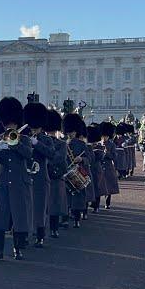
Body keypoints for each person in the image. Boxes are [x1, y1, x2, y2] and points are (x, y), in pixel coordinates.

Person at [0, 97, 33, 260]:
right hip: (2, 182)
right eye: (7, 124)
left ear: (17, 123)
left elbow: (29, 154)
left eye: (12, 124)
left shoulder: (24, 138)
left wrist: (16, 145)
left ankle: (17, 249)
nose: (9, 127)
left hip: (19, 182)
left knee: (18, 218)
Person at [24, 101, 54, 247]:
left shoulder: (46, 139)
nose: (33, 129)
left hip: (41, 177)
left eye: (36, 127)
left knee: (40, 208)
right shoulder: (23, 137)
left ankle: (40, 235)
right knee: (25, 207)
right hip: (25, 177)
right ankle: (24, 233)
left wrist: (37, 144)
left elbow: (51, 154)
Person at [63, 113, 91, 229]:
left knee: (78, 197)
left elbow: (90, 158)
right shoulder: (63, 144)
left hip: (78, 172)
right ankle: (66, 216)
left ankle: (76, 219)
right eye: (69, 132)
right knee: (66, 196)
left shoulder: (82, 145)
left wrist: (81, 159)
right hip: (66, 172)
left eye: (72, 132)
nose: (70, 134)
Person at [46, 109, 68, 239]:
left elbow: (59, 158)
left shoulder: (61, 144)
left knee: (54, 205)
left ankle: (54, 228)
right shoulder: (43, 141)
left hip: (54, 176)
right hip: (44, 175)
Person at [99, 121, 119, 209]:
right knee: (99, 185)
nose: (104, 138)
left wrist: (107, 153)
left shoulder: (112, 145)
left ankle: (107, 203)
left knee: (108, 186)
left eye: (106, 136)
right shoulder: (98, 144)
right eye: (103, 136)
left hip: (108, 167)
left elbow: (114, 156)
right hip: (99, 167)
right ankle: (97, 204)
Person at [87, 124, 107, 213]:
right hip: (88, 169)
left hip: (96, 169)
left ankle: (96, 206)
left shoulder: (100, 147)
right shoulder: (87, 146)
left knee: (97, 188)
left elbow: (99, 157)